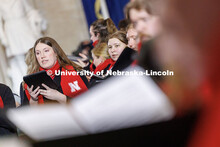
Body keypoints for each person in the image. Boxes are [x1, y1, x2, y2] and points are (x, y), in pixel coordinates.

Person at [22, 37, 88, 105]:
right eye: (38, 53)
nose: (42, 56)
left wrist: (60, 97)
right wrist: (34, 99)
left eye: (46, 51)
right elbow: (27, 112)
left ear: (56, 53)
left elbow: (88, 103)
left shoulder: (75, 70)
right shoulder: (31, 81)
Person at [0, 0, 47, 95]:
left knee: (32, 53)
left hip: (23, 25)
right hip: (11, 30)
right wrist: (3, 37)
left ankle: (39, 80)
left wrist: (35, 18)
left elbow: (30, 11)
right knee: (18, 59)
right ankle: (24, 85)